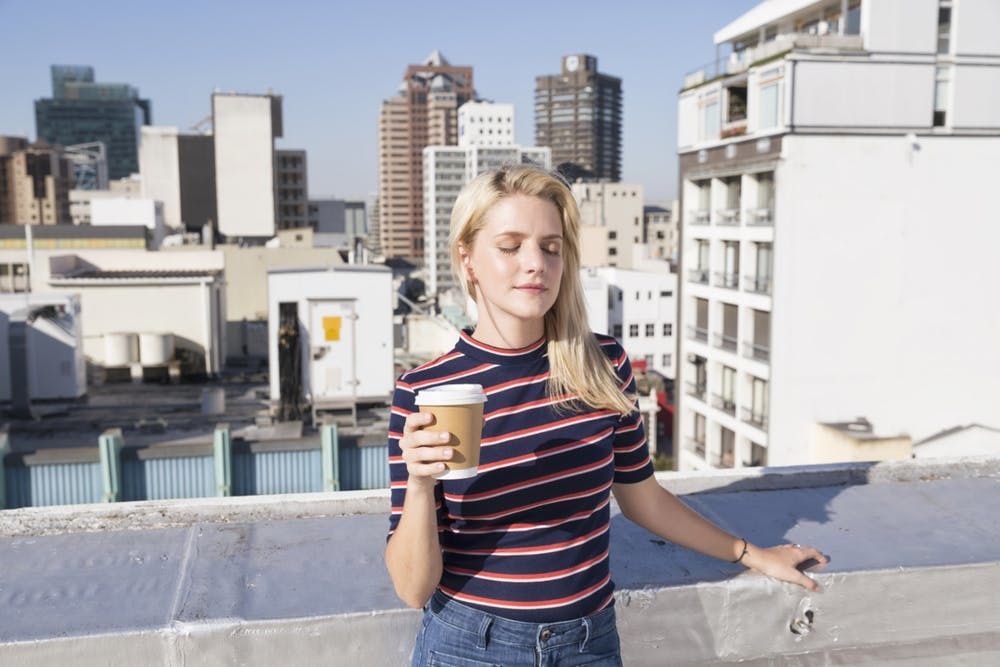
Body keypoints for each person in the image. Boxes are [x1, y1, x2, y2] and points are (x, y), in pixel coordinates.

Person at [385, 165, 827, 666]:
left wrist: (750, 553)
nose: (535, 263)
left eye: (551, 247)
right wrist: (420, 486)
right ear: (468, 261)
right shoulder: (424, 391)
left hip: (588, 642)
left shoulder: (602, 365)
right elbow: (412, 588)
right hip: (471, 644)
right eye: (510, 246)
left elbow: (644, 500)